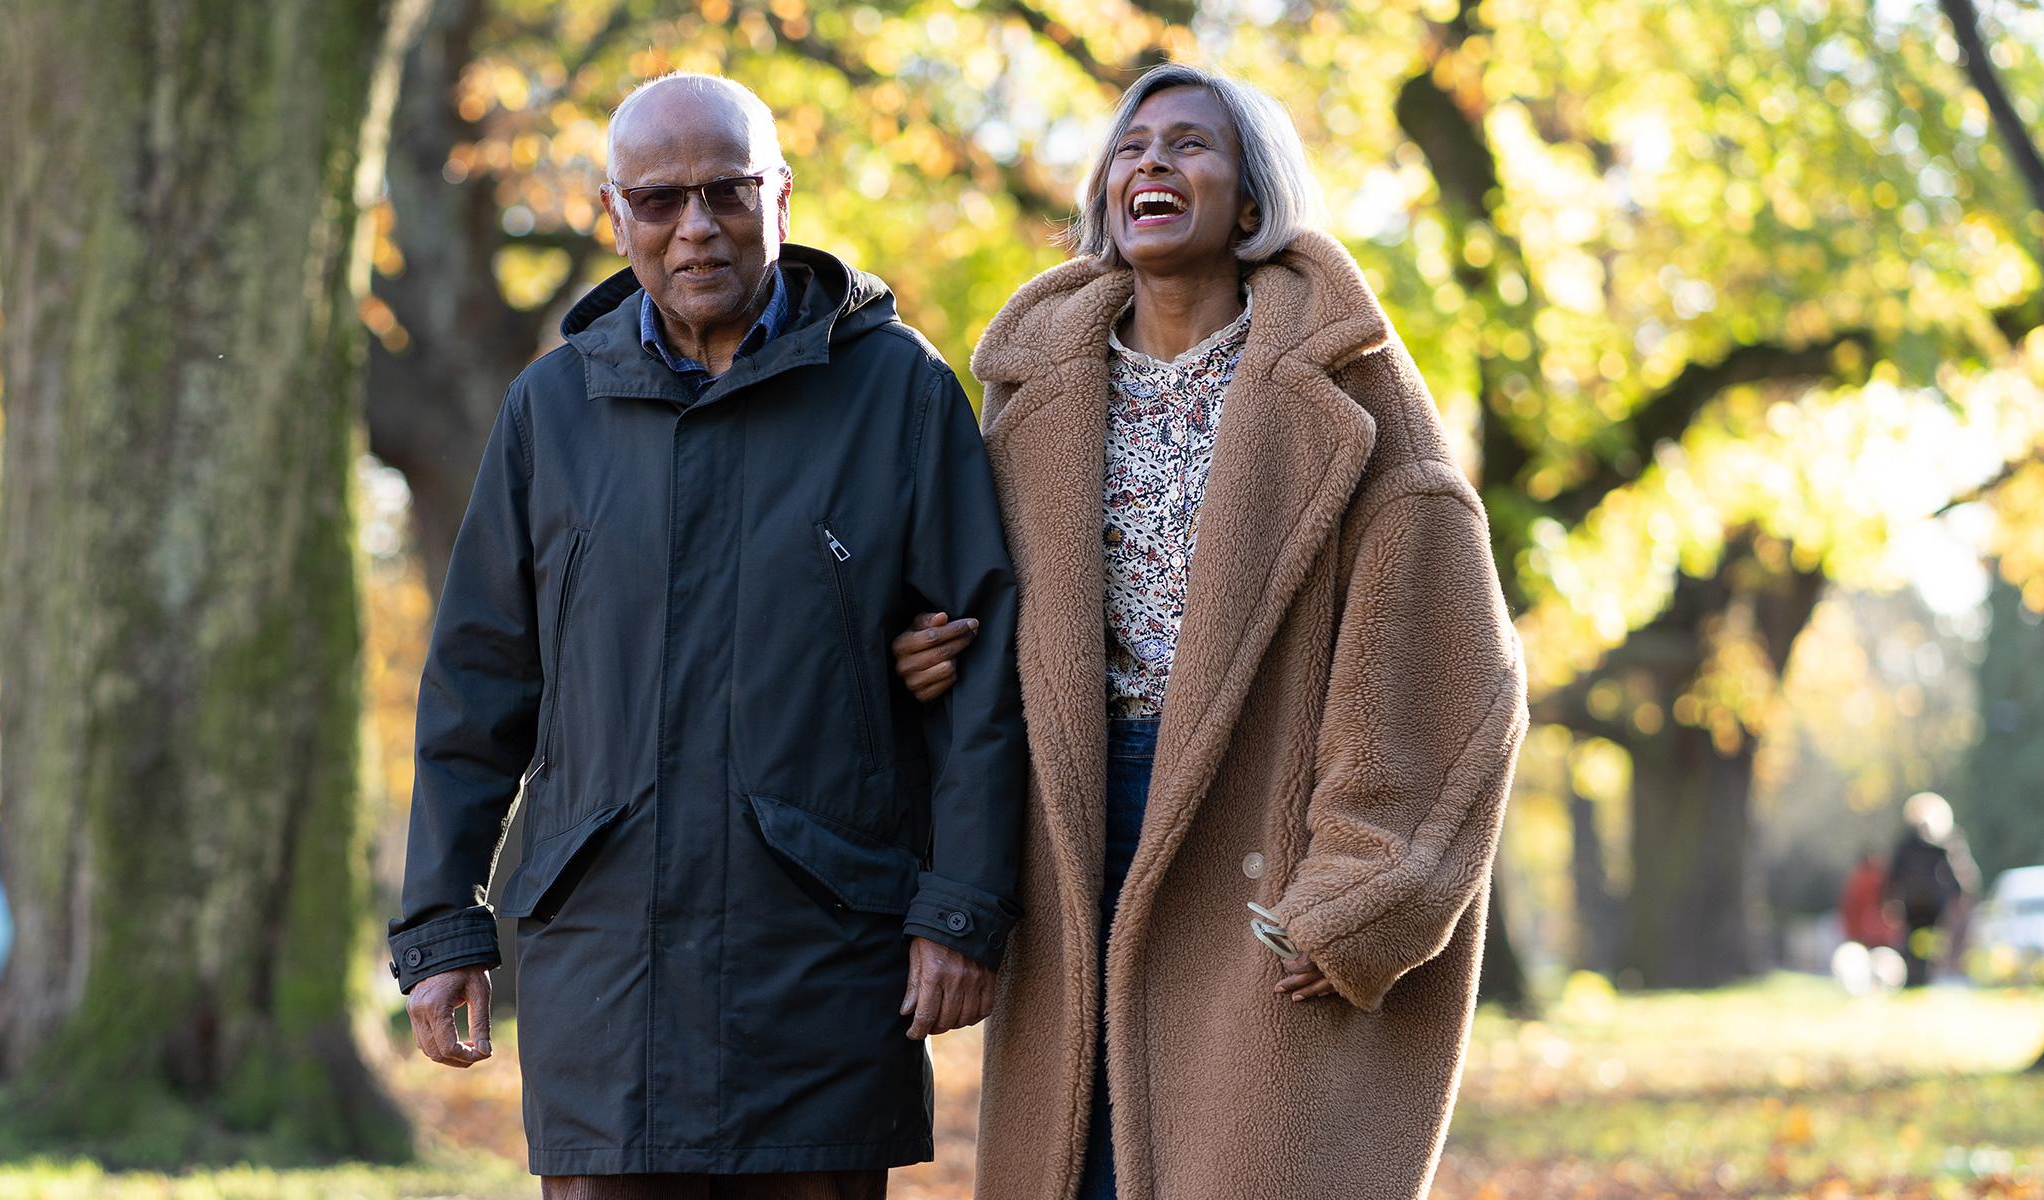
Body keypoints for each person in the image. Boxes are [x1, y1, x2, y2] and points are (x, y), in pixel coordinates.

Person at [387, 73, 1026, 1199]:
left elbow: (985, 677)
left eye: (727, 192)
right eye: (658, 200)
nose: (696, 228)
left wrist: (961, 914)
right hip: (604, 967)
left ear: (781, 193)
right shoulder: (549, 410)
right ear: (611, 211)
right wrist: (442, 926)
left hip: (820, 964)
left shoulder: (901, 392)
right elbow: (479, 686)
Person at [893, 63, 1526, 1200]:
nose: (1152, 164)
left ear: (1251, 199)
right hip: (1069, 829)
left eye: (1190, 146)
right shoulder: (1029, 388)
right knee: (1076, 1164)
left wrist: (1364, 888)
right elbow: (984, 609)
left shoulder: (1352, 389)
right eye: (1133, 148)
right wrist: (926, 657)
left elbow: (1448, 657)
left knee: (1237, 1162)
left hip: (1261, 826)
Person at [1883, 791, 1981, 987]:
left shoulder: (1912, 844)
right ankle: (1918, 976)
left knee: (1921, 942)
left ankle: (1918, 976)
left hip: (1919, 903)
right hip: (1927, 903)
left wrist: (1890, 899)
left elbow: (1894, 874)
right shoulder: (1929, 845)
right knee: (1922, 942)